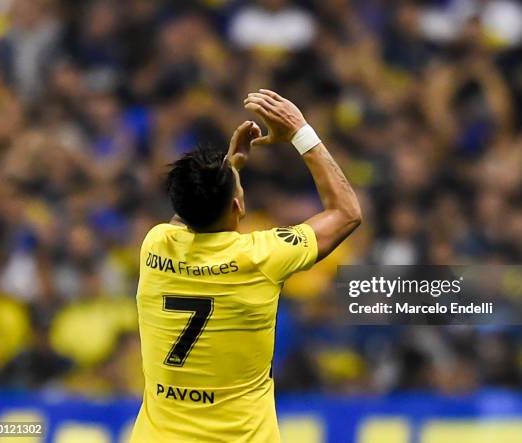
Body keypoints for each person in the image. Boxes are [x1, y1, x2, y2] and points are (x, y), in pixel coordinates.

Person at [130, 89, 361, 442]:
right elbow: (346, 213)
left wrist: (228, 167)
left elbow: (190, 214)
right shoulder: (262, 257)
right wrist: (300, 131)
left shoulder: (155, 246)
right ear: (238, 207)